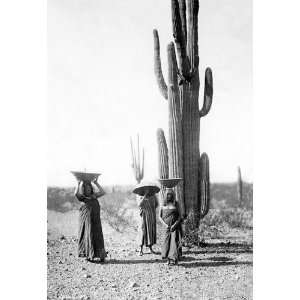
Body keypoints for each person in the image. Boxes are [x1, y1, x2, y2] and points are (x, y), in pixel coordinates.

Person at [74, 177, 107, 262]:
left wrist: (96, 183)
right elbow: (76, 194)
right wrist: (78, 184)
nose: (88, 189)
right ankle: (89, 255)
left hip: (96, 219)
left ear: (91, 189)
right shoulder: (83, 198)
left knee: (98, 235)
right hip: (87, 220)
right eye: (86, 188)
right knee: (89, 234)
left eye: (89, 188)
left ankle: (100, 255)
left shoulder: (94, 196)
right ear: (84, 189)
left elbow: (103, 192)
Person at [160, 189, 182, 265]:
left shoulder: (176, 204)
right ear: (165, 196)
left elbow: (179, 216)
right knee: (166, 243)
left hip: (175, 227)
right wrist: (165, 225)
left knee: (174, 242)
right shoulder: (163, 204)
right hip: (166, 228)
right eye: (168, 194)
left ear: (173, 195)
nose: (169, 196)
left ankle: (175, 259)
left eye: (171, 194)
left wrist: (174, 225)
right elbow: (159, 217)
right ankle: (168, 260)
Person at [136, 189, 159, 256]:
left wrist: (151, 204)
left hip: (151, 216)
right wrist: (145, 196)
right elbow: (139, 204)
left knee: (150, 231)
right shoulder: (140, 196)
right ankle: (140, 249)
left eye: (148, 189)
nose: (147, 191)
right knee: (142, 231)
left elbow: (156, 204)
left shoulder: (153, 196)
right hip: (143, 216)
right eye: (146, 190)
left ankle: (150, 248)